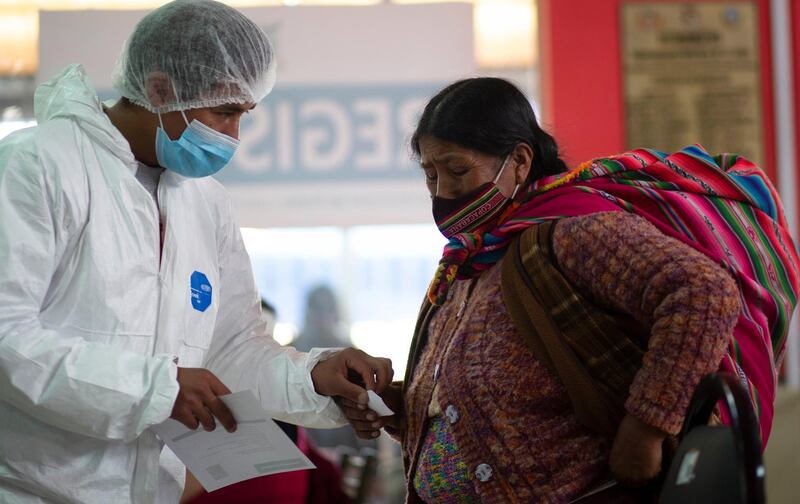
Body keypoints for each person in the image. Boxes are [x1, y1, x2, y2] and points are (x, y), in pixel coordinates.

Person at [0, 1, 392, 503]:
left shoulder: (205, 204)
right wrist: (156, 389)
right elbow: (8, 334)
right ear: (160, 89)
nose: (233, 137)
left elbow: (233, 350)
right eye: (225, 112)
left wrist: (315, 377)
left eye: (242, 115)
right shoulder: (37, 167)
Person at [338, 77, 800, 502]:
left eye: (458, 171)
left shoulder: (570, 233)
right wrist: (409, 407)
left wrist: (646, 429)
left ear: (518, 162)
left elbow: (703, 293)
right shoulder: (474, 260)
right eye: (431, 175)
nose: (443, 191)